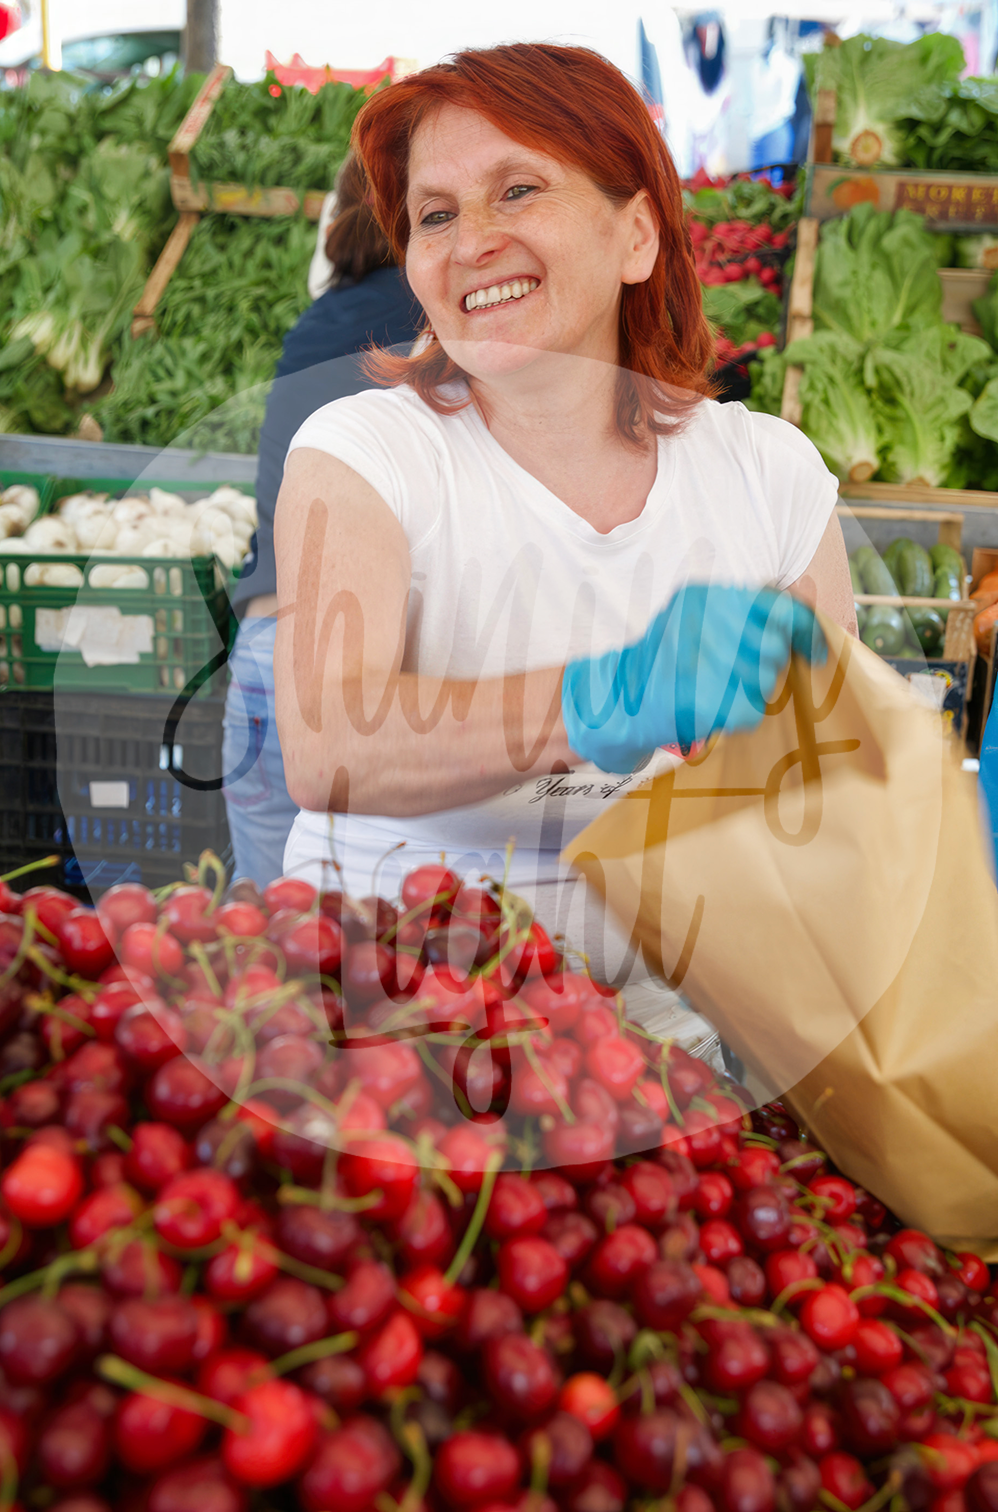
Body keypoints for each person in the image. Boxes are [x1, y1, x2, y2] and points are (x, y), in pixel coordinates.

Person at [272, 43, 856, 1049]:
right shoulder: (362, 450)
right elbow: (329, 743)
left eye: (517, 190)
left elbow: (833, 789)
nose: (470, 241)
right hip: (388, 1022)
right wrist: (603, 696)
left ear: (634, 234)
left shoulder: (771, 477)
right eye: (436, 215)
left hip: (660, 1040)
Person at [223, 153, 422, 888]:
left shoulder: (311, 326)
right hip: (363, 676)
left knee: (264, 954)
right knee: (381, 963)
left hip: (262, 656)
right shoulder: (441, 320)